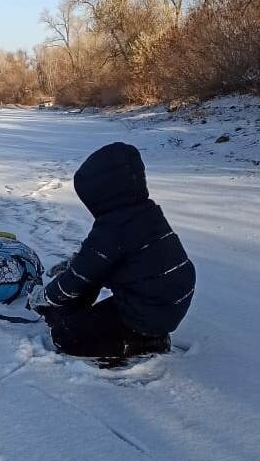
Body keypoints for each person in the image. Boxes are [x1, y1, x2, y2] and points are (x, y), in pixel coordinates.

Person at [28, 142, 196, 360]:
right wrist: (74, 265)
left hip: (146, 311)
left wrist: (45, 297)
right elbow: (97, 262)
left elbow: (79, 277)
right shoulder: (145, 213)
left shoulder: (113, 228)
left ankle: (142, 343)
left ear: (102, 192)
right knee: (93, 279)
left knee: (65, 336)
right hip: (161, 300)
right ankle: (137, 332)